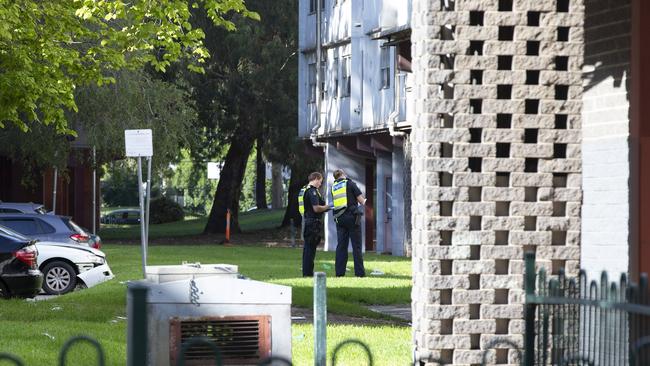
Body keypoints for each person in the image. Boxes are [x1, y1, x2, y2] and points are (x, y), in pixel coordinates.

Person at [330, 169, 366, 277]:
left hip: (339, 219)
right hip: (352, 219)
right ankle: (359, 273)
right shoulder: (350, 183)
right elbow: (361, 201)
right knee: (356, 246)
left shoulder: (334, 187)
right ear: (343, 174)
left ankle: (339, 273)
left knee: (341, 246)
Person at [299, 172, 331, 277]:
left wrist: (327, 207)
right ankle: (307, 274)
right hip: (312, 223)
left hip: (310, 222)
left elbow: (322, 205)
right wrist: (330, 206)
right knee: (310, 250)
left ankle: (307, 272)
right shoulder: (312, 191)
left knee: (309, 249)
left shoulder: (308, 190)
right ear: (316, 179)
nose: (320, 184)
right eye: (320, 182)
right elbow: (316, 208)